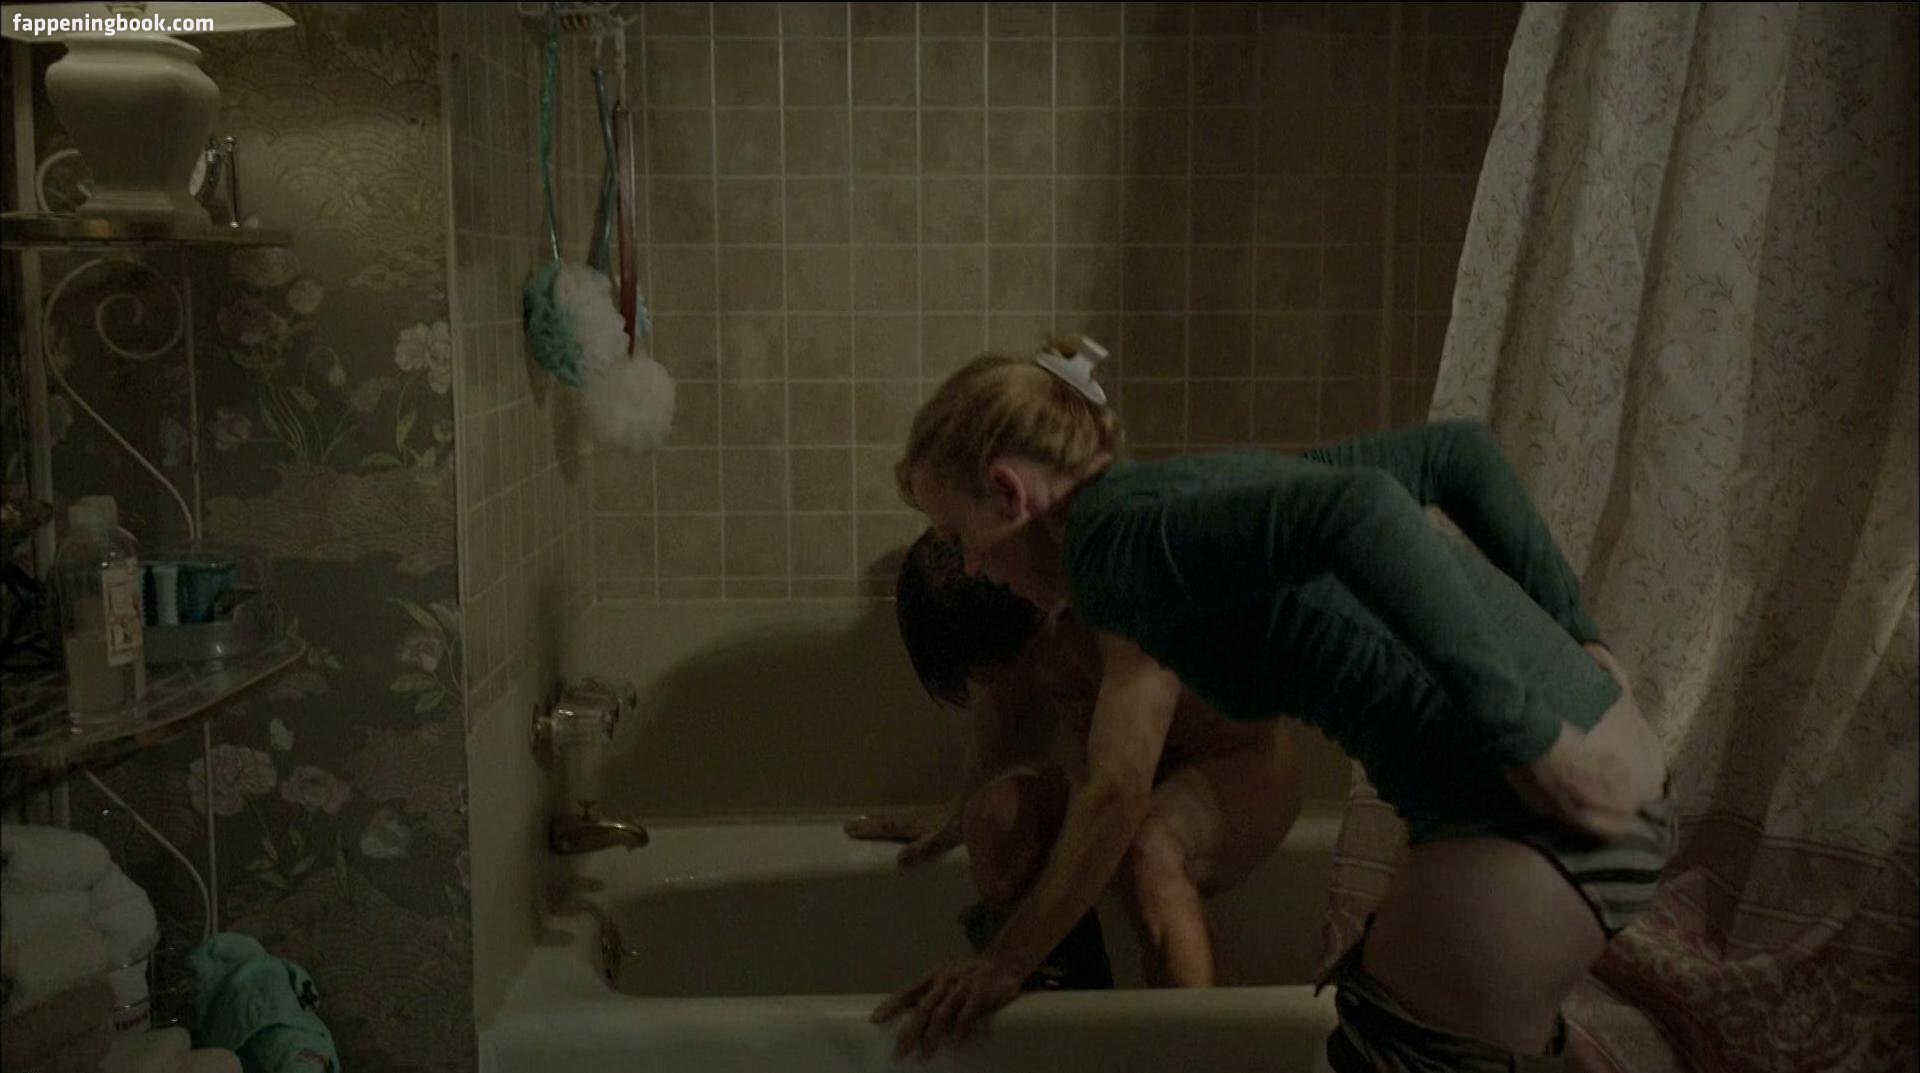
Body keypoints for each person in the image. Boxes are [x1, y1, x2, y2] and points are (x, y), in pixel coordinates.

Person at [873, 336, 1672, 1070]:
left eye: (959, 536)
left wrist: (1530, 741)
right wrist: (1580, 635)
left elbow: (1364, 510)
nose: (970, 569)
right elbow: (1454, 455)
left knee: (1392, 1045)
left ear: (1009, 493)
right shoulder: (1172, 495)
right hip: (1600, 764)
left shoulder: (1109, 556)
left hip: (1538, 818)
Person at [848, 530, 1302, 988]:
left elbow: (1117, 794)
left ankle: (1201, 1030)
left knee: (1148, 849)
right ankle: (1073, 1013)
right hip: (1129, 773)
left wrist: (1007, 958)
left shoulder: (1114, 599)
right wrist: (959, 811)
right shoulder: (1006, 610)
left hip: (1239, 763)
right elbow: (1005, 709)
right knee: (992, 820)